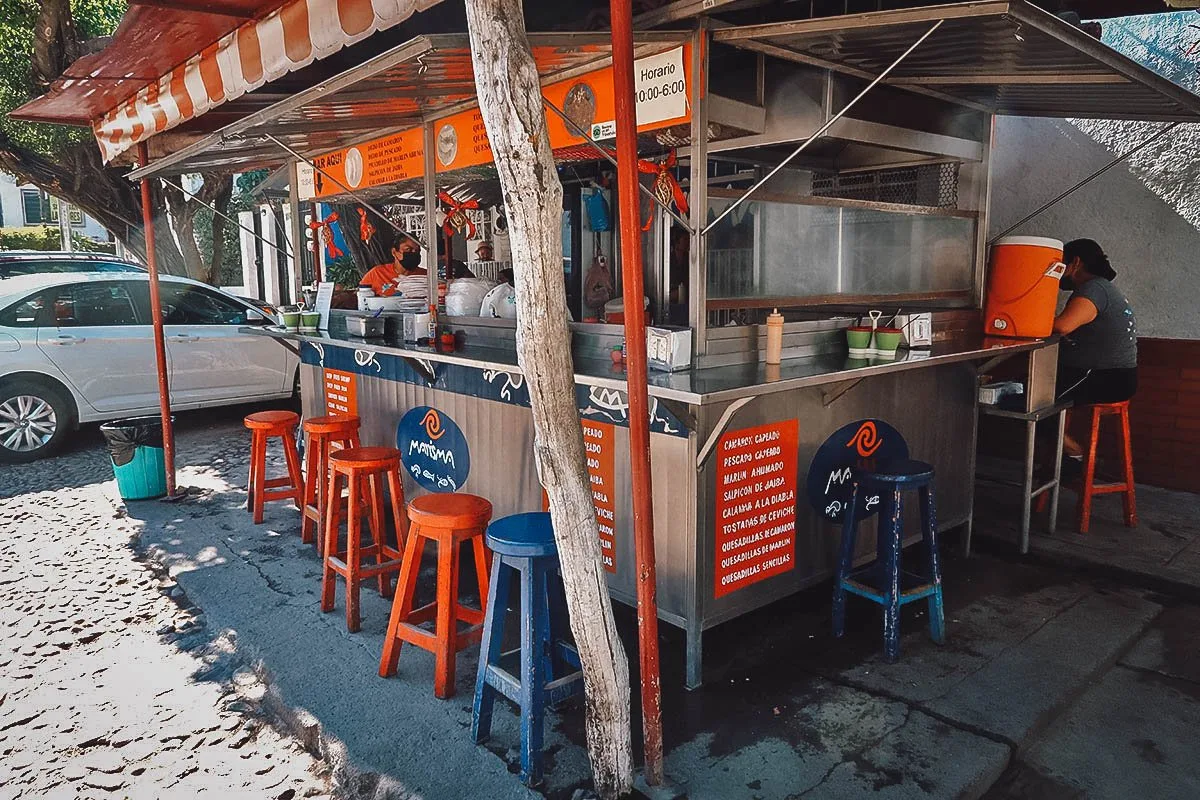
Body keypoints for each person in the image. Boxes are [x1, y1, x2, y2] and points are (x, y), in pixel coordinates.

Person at [1051, 238, 1137, 459]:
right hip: (1115, 377)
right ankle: (1061, 460)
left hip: (1102, 378)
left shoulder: (1093, 289)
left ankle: (1075, 456)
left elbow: (1062, 326)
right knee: (1031, 390)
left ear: (1075, 263)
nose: (1058, 272)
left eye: (1061, 264)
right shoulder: (1102, 289)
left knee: (1030, 400)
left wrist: (1025, 317)